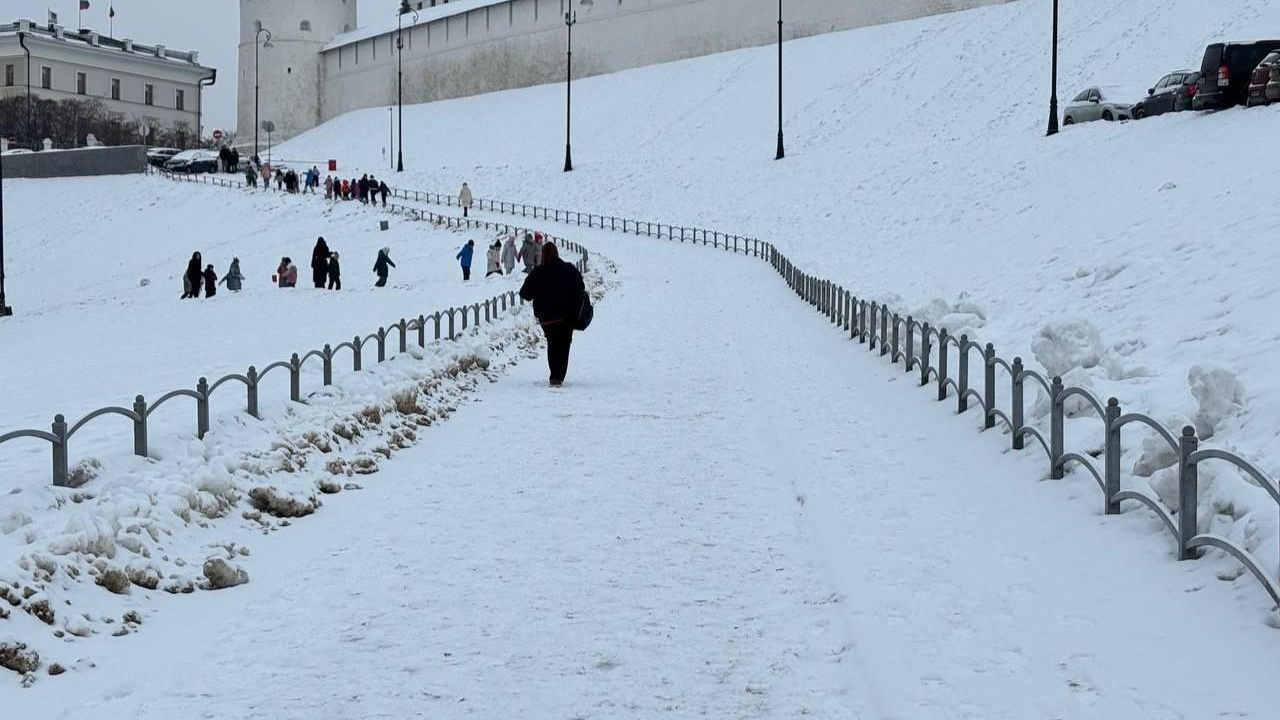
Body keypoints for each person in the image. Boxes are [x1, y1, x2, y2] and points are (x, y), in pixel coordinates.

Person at [519, 243, 586, 387]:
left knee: (552, 343)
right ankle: (559, 376)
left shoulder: (538, 272)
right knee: (564, 344)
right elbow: (581, 288)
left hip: (546, 317)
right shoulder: (569, 269)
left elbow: (525, 293)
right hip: (567, 316)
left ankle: (554, 375)